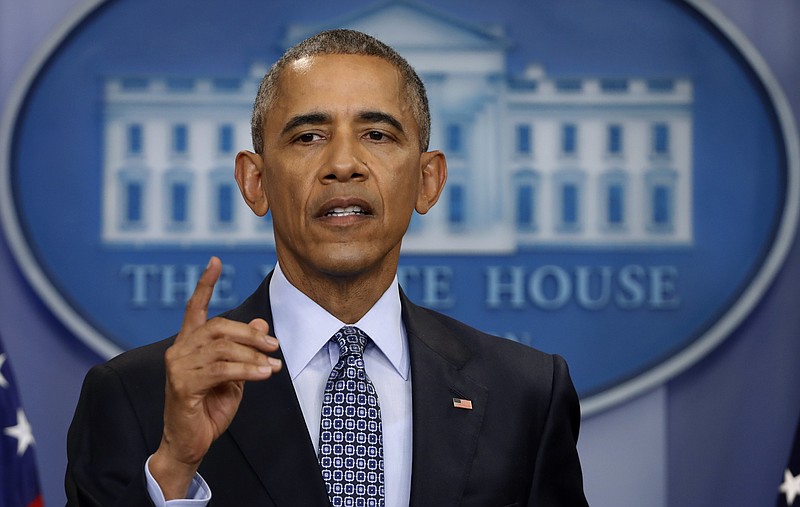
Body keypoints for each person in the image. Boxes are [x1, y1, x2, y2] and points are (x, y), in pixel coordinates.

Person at [65, 29, 588, 506]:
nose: (343, 163)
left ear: (428, 181)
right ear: (255, 182)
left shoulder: (527, 394)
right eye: (308, 136)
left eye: (378, 135)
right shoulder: (136, 395)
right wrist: (175, 470)